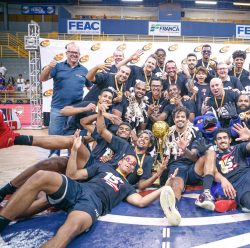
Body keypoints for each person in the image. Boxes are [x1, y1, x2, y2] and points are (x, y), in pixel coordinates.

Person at [0, 133, 181, 247]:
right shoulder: (102, 167)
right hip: (77, 189)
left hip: (91, 205)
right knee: (42, 175)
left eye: (133, 164)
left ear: (133, 170)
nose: (130, 162)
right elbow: (72, 175)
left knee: (70, 230)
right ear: (120, 161)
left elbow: (141, 202)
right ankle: (3, 219)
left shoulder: (127, 186)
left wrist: (164, 187)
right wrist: (74, 151)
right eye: (128, 160)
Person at [39, 42, 92, 157]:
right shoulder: (57, 67)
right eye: (71, 52)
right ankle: (54, 159)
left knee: (74, 137)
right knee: (54, 138)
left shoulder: (84, 70)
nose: (74, 54)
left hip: (75, 111)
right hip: (57, 109)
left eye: (76, 53)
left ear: (79, 54)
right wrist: (49, 67)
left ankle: (71, 159)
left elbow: (91, 87)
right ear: (66, 53)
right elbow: (42, 78)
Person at [162, 106, 218, 211]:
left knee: (210, 152)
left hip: (193, 168)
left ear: (187, 119)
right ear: (174, 119)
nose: (180, 119)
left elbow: (193, 156)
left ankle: (206, 193)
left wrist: (185, 150)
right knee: (177, 182)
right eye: (177, 117)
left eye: (183, 117)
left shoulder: (195, 131)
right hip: (177, 167)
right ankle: (172, 208)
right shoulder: (167, 133)